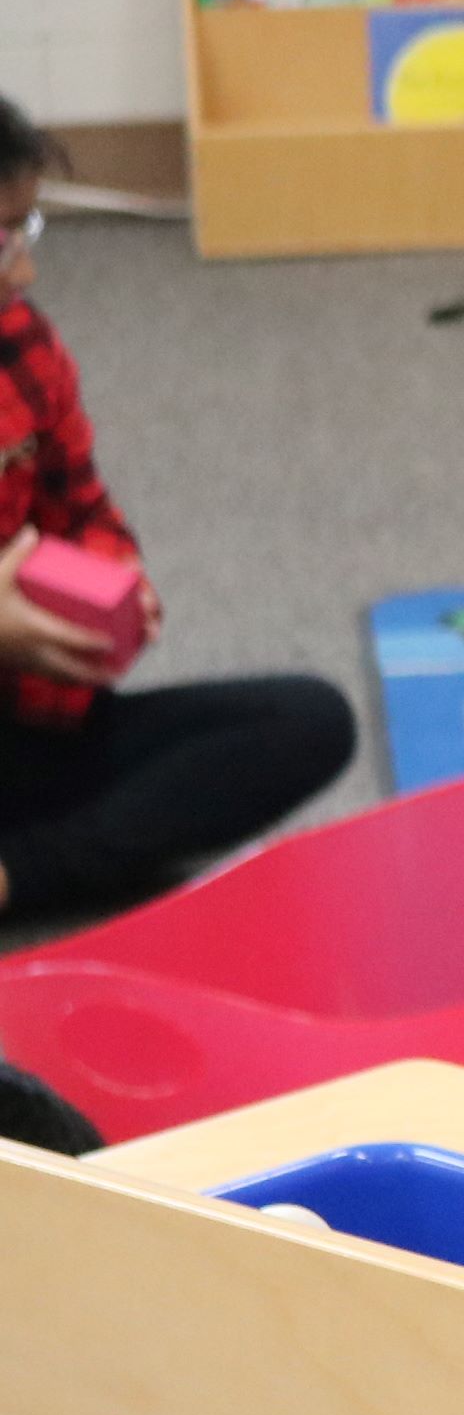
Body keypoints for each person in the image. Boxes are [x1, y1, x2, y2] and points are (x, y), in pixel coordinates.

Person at [0, 99, 356, 928]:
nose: (24, 274)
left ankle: (22, 873)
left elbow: (82, 507)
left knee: (306, 721)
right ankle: (66, 860)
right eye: (3, 241)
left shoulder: (23, 347)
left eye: (24, 232)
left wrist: (107, 583)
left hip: (28, 729)